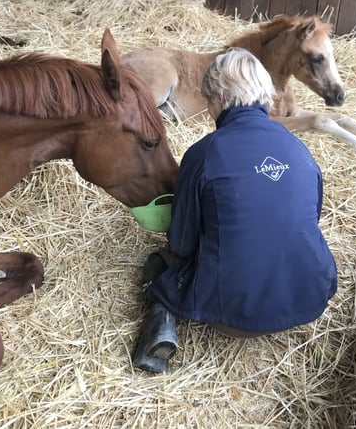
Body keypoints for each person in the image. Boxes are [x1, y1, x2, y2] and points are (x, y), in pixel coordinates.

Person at [132, 47, 338, 373]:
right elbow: (310, 216)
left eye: (210, 99)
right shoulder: (299, 149)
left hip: (232, 313)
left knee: (160, 264)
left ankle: (162, 322)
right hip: (311, 297)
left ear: (222, 97)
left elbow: (181, 244)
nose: (210, 109)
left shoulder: (204, 154)